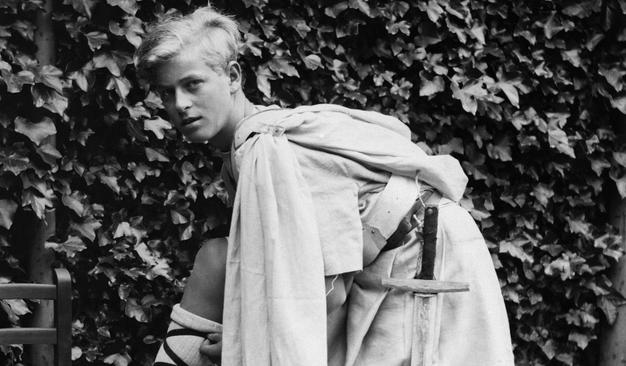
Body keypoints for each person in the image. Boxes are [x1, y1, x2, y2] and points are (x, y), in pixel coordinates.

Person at [135, 6, 514, 366]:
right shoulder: (244, 151)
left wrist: (244, 341)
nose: (180, 104)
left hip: (425, 253)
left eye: (193, 84)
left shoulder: (267, 147)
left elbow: (327, 288)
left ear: (233, 76)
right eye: (167, 92)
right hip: (393, 253)